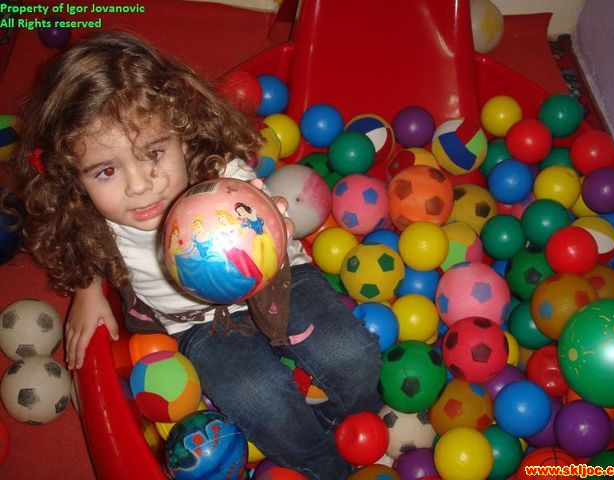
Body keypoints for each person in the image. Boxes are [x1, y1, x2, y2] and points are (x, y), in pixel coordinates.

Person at [9, 31, 382, 479]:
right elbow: (79, 246)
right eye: (107, 171)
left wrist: (276, 224)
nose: (140, 185)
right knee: (257, 395)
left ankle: (367, 421)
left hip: (276, 279)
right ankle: (321, 462)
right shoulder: (91, 218)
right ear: (74, 177)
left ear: (183, 136)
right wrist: (88, 293)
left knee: (349, 354)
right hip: (199, 324)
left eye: (154, 153)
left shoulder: (220, 176)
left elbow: (265, 211)